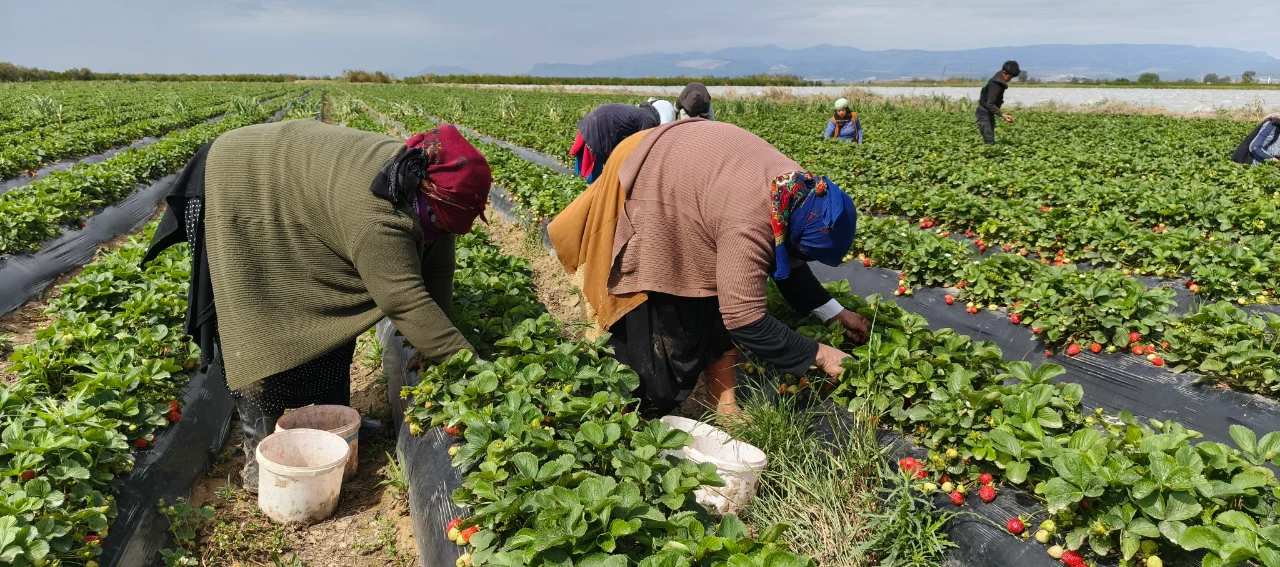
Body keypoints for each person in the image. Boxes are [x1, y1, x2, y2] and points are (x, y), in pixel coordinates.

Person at [143, 121, 492, 492]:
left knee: (333, 301)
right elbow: (403, 299)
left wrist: (431, 347)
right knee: (256, 317)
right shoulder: (382, 212)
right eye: (438, 220)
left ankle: (331, 426)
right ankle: (263, 454)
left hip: (294, 185)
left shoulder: (430, 192)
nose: (440, 228)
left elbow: (437, 265)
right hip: (237, 183)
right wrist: (474, 373)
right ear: (423, 194)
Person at [549, 119, 870, 417]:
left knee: (717, 298)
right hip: (648, 171)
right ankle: (626, 411)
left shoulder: (801, 190)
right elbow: (745, 321)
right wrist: (822, 354)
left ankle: (723, 406)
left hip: (683, 159)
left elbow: (791, 265)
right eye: (801, 250)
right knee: (665, 333)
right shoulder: (750, 219)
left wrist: (835, 313)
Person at [570, 100, 674, 183]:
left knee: (581, 174)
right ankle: (589, 196)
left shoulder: (644, 113)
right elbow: (642, 149)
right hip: (599, 126)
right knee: (594, 177)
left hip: (594, 120)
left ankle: (579, 188)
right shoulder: (649, 120)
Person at [976, 61, 1019, 145]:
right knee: (989, 140)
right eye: (1009, 77)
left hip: (987, 113)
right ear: (1003, 72)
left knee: (990, 137)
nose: (1010, 80)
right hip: (983, 114)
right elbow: (990, 104)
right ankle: (988, 155)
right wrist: (1003, 115)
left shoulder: (996, 79)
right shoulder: (996, 84)